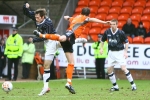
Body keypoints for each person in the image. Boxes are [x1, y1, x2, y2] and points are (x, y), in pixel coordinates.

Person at [33, 7, 109, 94]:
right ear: (88, 14)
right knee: (62, 38)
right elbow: (92, 19)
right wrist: (104, 22)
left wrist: (67, 17)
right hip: (71, 34)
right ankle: (42, 35)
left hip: (70, 40)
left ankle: (69, 83)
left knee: (71, 62)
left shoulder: (76, 17)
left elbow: (69, 18)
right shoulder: (84, 18)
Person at [23, 3, 60, 96]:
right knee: (46, 66)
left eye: (38, 18)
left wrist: (34, 39)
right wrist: (25, 6)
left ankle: (76, 39)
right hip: (48, 44)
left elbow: (45, 37)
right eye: (35, 17)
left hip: (52, 39)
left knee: (63, 41)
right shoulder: (36, 16)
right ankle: (46, 87)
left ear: (43, 17)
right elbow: (26, 13)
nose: (36, 19)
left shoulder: (48, 23)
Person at [100, 19, 137, 91]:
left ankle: (133, 85)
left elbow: (126, 42)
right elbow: (102, 40)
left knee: (123, 68)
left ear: (117, 25)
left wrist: (125, 52)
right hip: (111, 53)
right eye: (111, 24)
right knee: (109, 70)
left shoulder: (121, 32)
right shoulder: (107, 31)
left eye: (114, 24)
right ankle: (115, 86)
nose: (112, 26)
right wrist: (101, 48)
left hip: (119, 52)